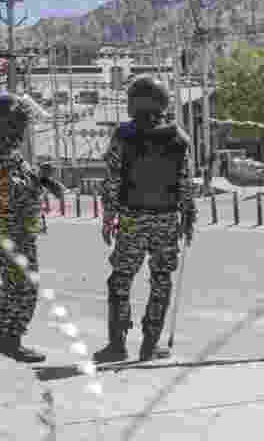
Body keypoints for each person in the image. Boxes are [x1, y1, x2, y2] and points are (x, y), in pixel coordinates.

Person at [93, 75, 197, 363]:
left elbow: (112, 181)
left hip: (131, 218)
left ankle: (117, 344)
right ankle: (149, 346)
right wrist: (189, 217)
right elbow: (186, 184)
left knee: (120, 279)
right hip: (166, 220)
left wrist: (108, 217)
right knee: (161, 279)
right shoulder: (179, 138)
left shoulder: (122, 135)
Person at [0, 93, 65, 363]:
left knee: (14, 284)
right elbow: (10, 191)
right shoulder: (1, 153)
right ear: (9, 125)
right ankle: (12, 340)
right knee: (23, 286)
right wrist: (38, 182)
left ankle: (5, 337)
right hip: (14, 229)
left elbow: (23, 181)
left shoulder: (9, 152)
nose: (24, 129)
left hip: (17, 228)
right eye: (20, 123)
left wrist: (44, 181)